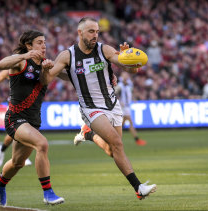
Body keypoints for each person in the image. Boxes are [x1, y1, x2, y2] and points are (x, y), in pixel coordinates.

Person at [42, 17, 156, 200]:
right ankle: (138, 187)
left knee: (113, 150)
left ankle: (88, 134)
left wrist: (127, 58)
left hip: (112, 104)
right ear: (80, 33)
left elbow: (131, 71)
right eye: (91, 31)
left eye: (97, 31)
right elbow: (47, 80)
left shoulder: (104, 49)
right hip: (90, 108)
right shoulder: (67, 56)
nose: (95, 35)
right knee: (118, 144)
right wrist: (45, 69)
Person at [0, 30, 64, 206]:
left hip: (32, 121)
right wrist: (24, 55)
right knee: (42, 144)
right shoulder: (22, 61)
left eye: (44, 42)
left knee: (18, 162)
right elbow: (1, 64)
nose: (44, 46)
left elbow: (51, 80)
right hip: (15, 118)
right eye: (39, 42)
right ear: (29, 45)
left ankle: (0, 183)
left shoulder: (46, 65)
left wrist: (49, 68)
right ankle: (48, 193)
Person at [0, 69, 32, 167]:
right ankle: (23, 156)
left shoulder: (34, 67)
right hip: (15, 103)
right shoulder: (13, 69)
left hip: (30, 103)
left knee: (14, 133)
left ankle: (2, 148)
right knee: (21, 128)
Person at [116, 71, 147, 146]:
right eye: (124, 74)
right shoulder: (120, 85)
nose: (126, 76)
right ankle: (136, 139)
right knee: (129, 123)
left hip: (127, 106)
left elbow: (130, 93)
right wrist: (119, 101)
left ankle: (115, 138)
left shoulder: (129, 84)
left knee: (122, 124)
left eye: (126, 74)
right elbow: (115, 93)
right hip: (122, 107)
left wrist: (134, 99)